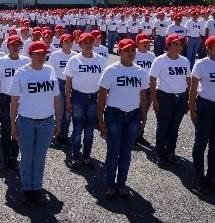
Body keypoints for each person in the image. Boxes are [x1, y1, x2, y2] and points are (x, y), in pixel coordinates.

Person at [9, 41, 61, 206]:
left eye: (43, 53)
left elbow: (56, 97)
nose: (41, 56)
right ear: (30, 55)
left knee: (39, 157)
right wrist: (12, 124)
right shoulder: (21, 73)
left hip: (46, 121)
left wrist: (58, 121)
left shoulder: (51, 70)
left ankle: (36, 189)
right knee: (26, 157)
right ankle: (26, 190)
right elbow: (14, 100)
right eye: (37, 53)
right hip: (26, 121)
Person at [97, 39, 149, 199]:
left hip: (133, 115)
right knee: (113, 151)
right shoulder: (111, 70)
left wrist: (144, 117)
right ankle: (110, 185)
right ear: (119, 52)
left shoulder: (140, 71)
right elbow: (102, 95)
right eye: (127, 50)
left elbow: (143, 96)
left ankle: (122, 183)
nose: (131, 53)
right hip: (115, 115)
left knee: (126, 152)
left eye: (133, 50)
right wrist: (101, 119)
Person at [64, 33, 107, 169]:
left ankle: (87, 156)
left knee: (89, 129)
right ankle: (75, 155)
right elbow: (68, 81)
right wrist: (67, 100)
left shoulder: (101, 60)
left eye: (90, 42)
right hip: (78, 97)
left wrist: (103, 99)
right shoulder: (74, 60)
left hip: (94, 97)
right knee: (77, 128)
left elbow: (104, 82)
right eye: (85, 42)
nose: (88, 45)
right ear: (80, 44)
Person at [149, 34, 191, 167]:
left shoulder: (185, 60)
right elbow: (153, 80)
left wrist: (188, 99)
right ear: (168, 45)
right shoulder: (160, 60)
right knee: (163, 127)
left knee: (174, 127)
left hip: (181, 98)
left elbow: (188, 80)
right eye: (175, 44)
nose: (179, 47)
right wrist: (155, 100)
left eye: (180, 44)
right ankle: (161, 155)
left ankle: (170, 153)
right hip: (165, 97)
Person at [0, 35, 30, 170]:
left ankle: (14, 158)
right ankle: (6, 159)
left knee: (19, 129)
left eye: (17, 45)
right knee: (7, 129)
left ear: (21, 46)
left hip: (22, 99)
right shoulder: (1, 61)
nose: (15, 47)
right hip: (6, 98)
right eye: (12, 45)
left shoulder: (26, 61)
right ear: (7, 46)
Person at [188, 35, 215, 193]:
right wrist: (192, 109)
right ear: (209, 48)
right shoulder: (201, 64)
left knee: (214, 144)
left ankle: (211, 176)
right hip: (205, 106)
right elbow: (193, 89)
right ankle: (199, 177)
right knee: (201, 143)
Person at [47, 34, 76, 147]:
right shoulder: (55, 55)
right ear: (61, 43)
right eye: (66, 42)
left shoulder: (75, 56)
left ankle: (64, 135)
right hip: (58, 83)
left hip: (71, 84)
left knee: (68, 112)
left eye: (70, 42)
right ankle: (56, 135)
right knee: (59, 111)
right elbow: (51, 71)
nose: (68, 44)